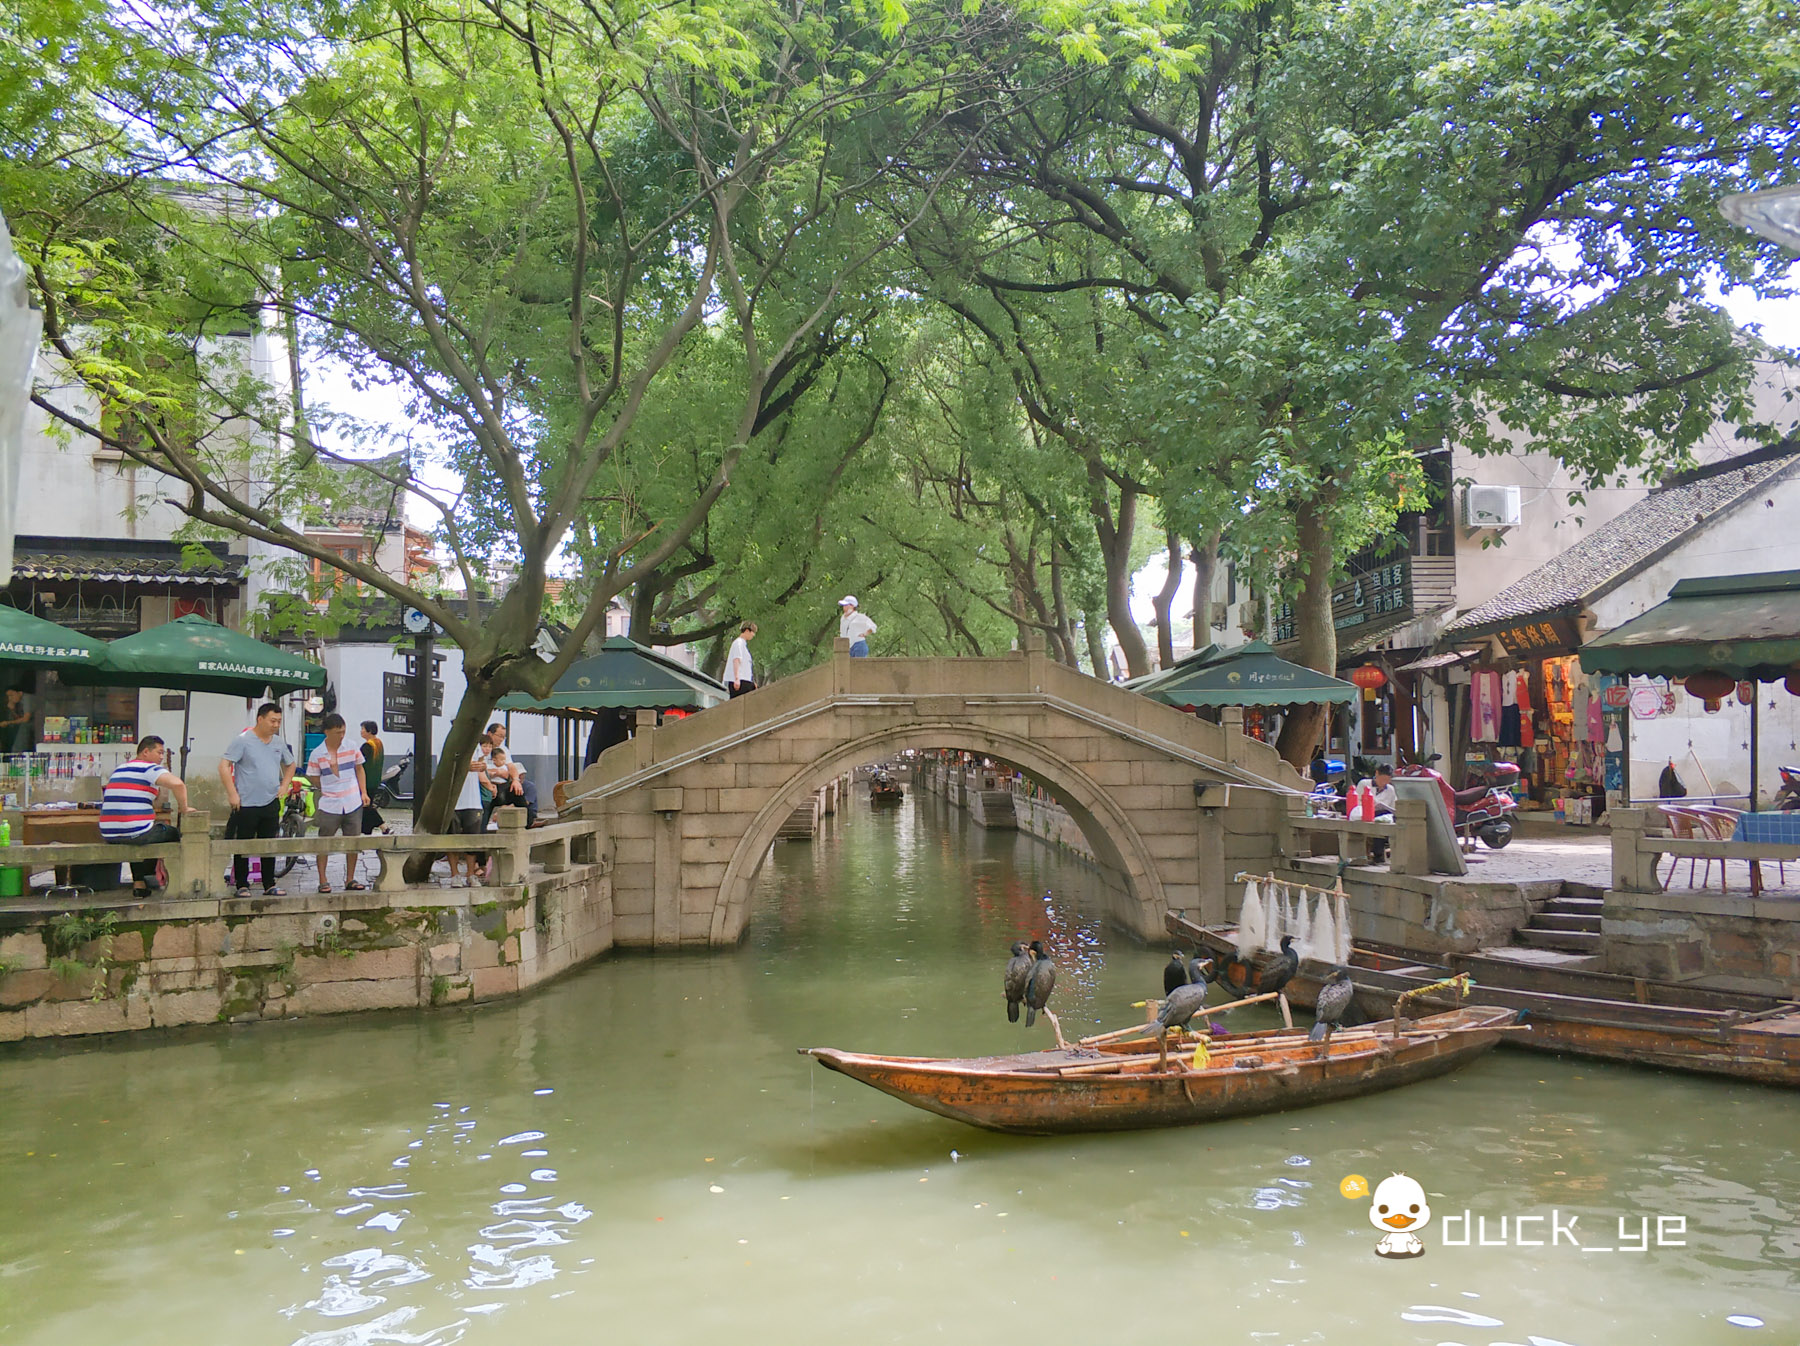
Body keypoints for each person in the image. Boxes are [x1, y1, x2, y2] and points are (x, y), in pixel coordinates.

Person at [219, 702, 296, 896]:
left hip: (270, 800)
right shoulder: (243, 740)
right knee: (243, 844)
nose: (275, 725)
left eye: (279, 721)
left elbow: (291, 764)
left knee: (268, 844)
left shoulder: (278, 742)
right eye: (272, 721)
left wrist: (284, 785)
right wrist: (232, 793)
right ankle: (242, 884)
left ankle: (269, 884)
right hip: (246, 802)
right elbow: (224, 765)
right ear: (260, 719)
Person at [100, 735, 189, 897]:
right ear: (146, 752)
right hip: (136, 832)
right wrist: (185, 808)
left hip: (110, 834)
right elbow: (178, 784)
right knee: (173, 833)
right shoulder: (149, 768)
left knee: (139, 834)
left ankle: (139, 883)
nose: (161, 757)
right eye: (159, 752)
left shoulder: (120, 769)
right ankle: (176, 880)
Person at [307, 712, 370, 893]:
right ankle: (323, 879)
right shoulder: (318, 753)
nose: (341, 736)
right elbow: (313, 776)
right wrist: (325, 786)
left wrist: (363, 792)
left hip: (352, 800)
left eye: (343, 731)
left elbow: (360, 769)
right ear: (327, 732)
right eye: (337, 732)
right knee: (324, 842)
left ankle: (350, 878)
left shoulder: (351, 746)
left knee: (353, 842)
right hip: (330, 803)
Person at [359, 720, 387, 832]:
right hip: (375, 780)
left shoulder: (367, 746)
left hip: (366, 780)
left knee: (365, 805)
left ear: (369, 731)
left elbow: (359, 763)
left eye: (363, 729)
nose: (361, 731)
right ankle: (366, 831)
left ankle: (383, 826)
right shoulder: (379, 743)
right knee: (365, 807)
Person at [724, 621, 757, 697]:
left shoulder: (743, 645)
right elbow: (736, 660)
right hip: (740, 680)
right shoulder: (738, 643)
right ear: (747, 630)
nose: (753, 635)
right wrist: (736, 678)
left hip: (745, 679)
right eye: (753, 632)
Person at [0, 687, 31, 754]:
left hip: (21, 734)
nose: (10, 698)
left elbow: (24, 719)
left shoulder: (24, 703)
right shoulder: (4, 707)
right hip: (8, 735)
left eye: (11, 695)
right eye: (8, 696)